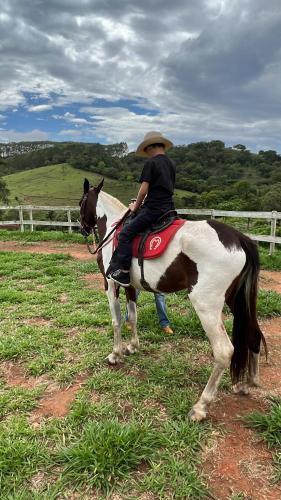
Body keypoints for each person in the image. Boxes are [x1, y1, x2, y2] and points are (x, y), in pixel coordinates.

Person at [109, 131, 176, 287]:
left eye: (146, 151)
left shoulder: (151, 163)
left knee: (125, 233)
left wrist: (135, 207)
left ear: (151, 147)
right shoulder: (172, 163)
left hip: (153, 209)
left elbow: (144, 190)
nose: (146, 154)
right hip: (169, 209)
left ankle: (124, 272)